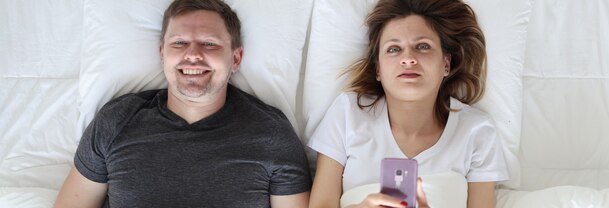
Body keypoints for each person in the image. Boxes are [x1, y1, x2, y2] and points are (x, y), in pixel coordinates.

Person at [54, 0, 311, 207]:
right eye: (179, 43)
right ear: (163, 54)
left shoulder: (272, 134)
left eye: (209, 44)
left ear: (235, 58)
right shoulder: (117, 120)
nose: (193, 55)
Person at [307, 0, 509, 207]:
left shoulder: (477, 131)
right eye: (394, 49)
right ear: (378, 69)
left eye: (422, 46)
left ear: (446, 64)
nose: (408, 59)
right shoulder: (348, 113)